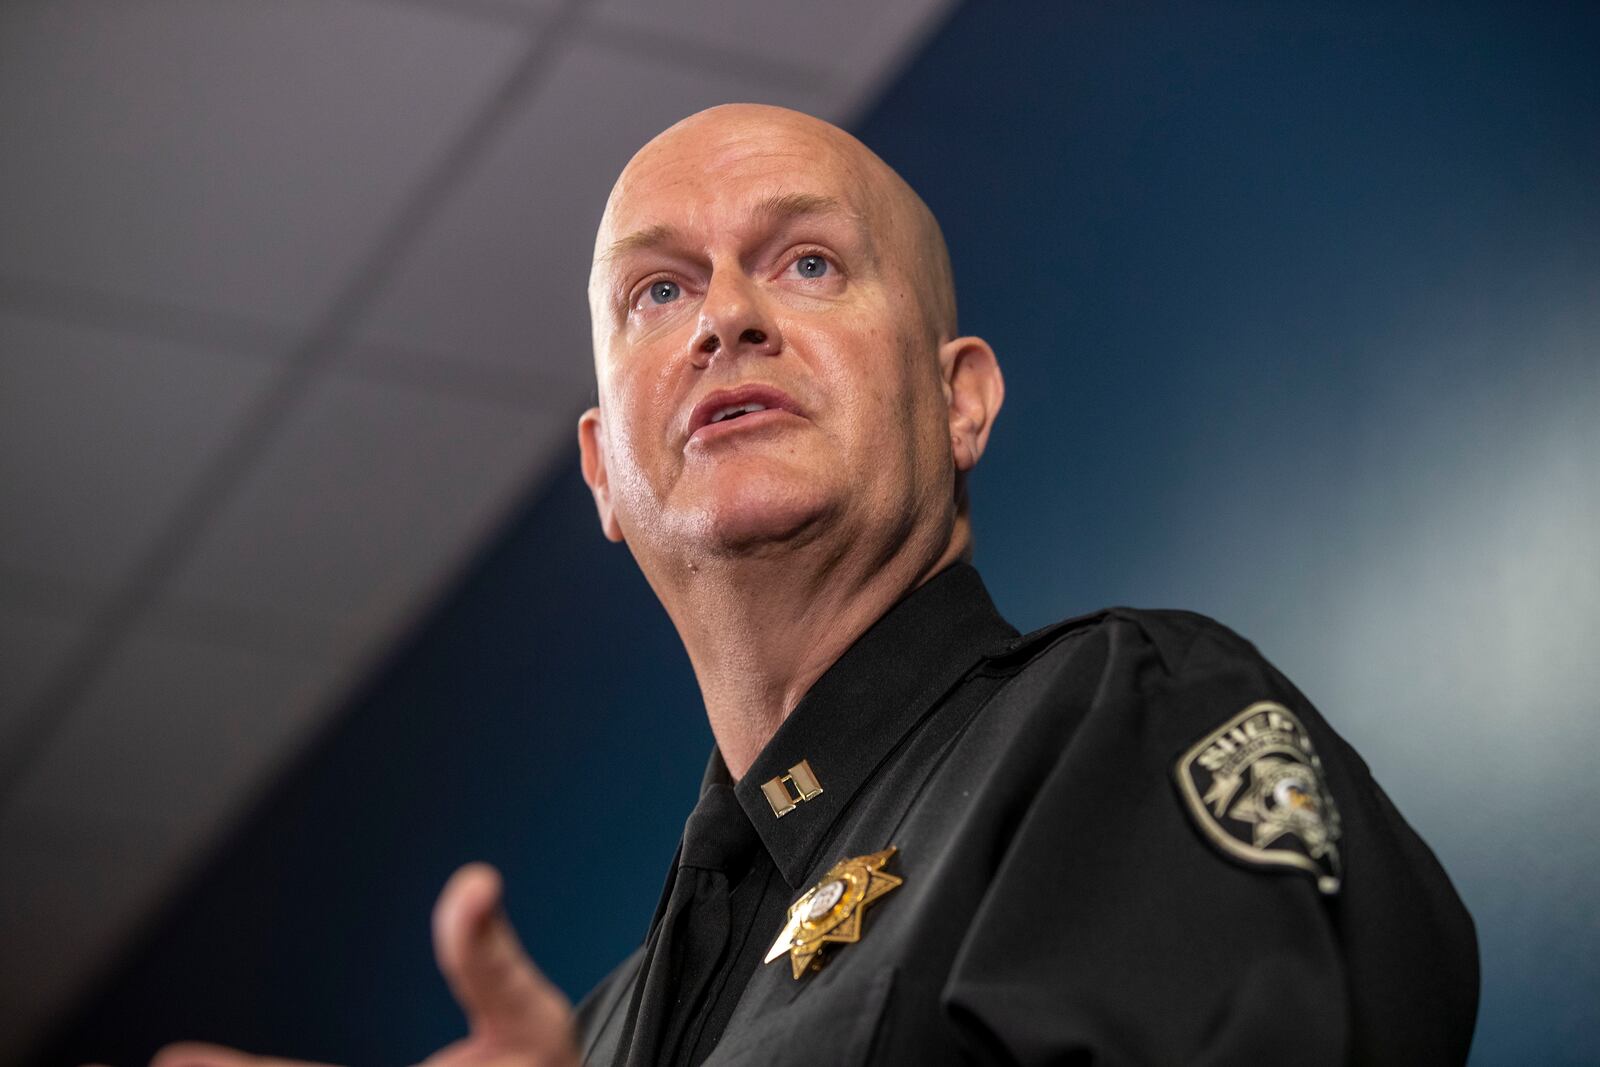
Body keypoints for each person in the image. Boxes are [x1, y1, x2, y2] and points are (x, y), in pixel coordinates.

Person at [150, 104, 1478, 1067]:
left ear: (961, 400)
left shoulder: (1125, 722)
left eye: (807, 264)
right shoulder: (605, 1034)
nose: (728, 315)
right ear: (606, 472)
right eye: (658, 291)